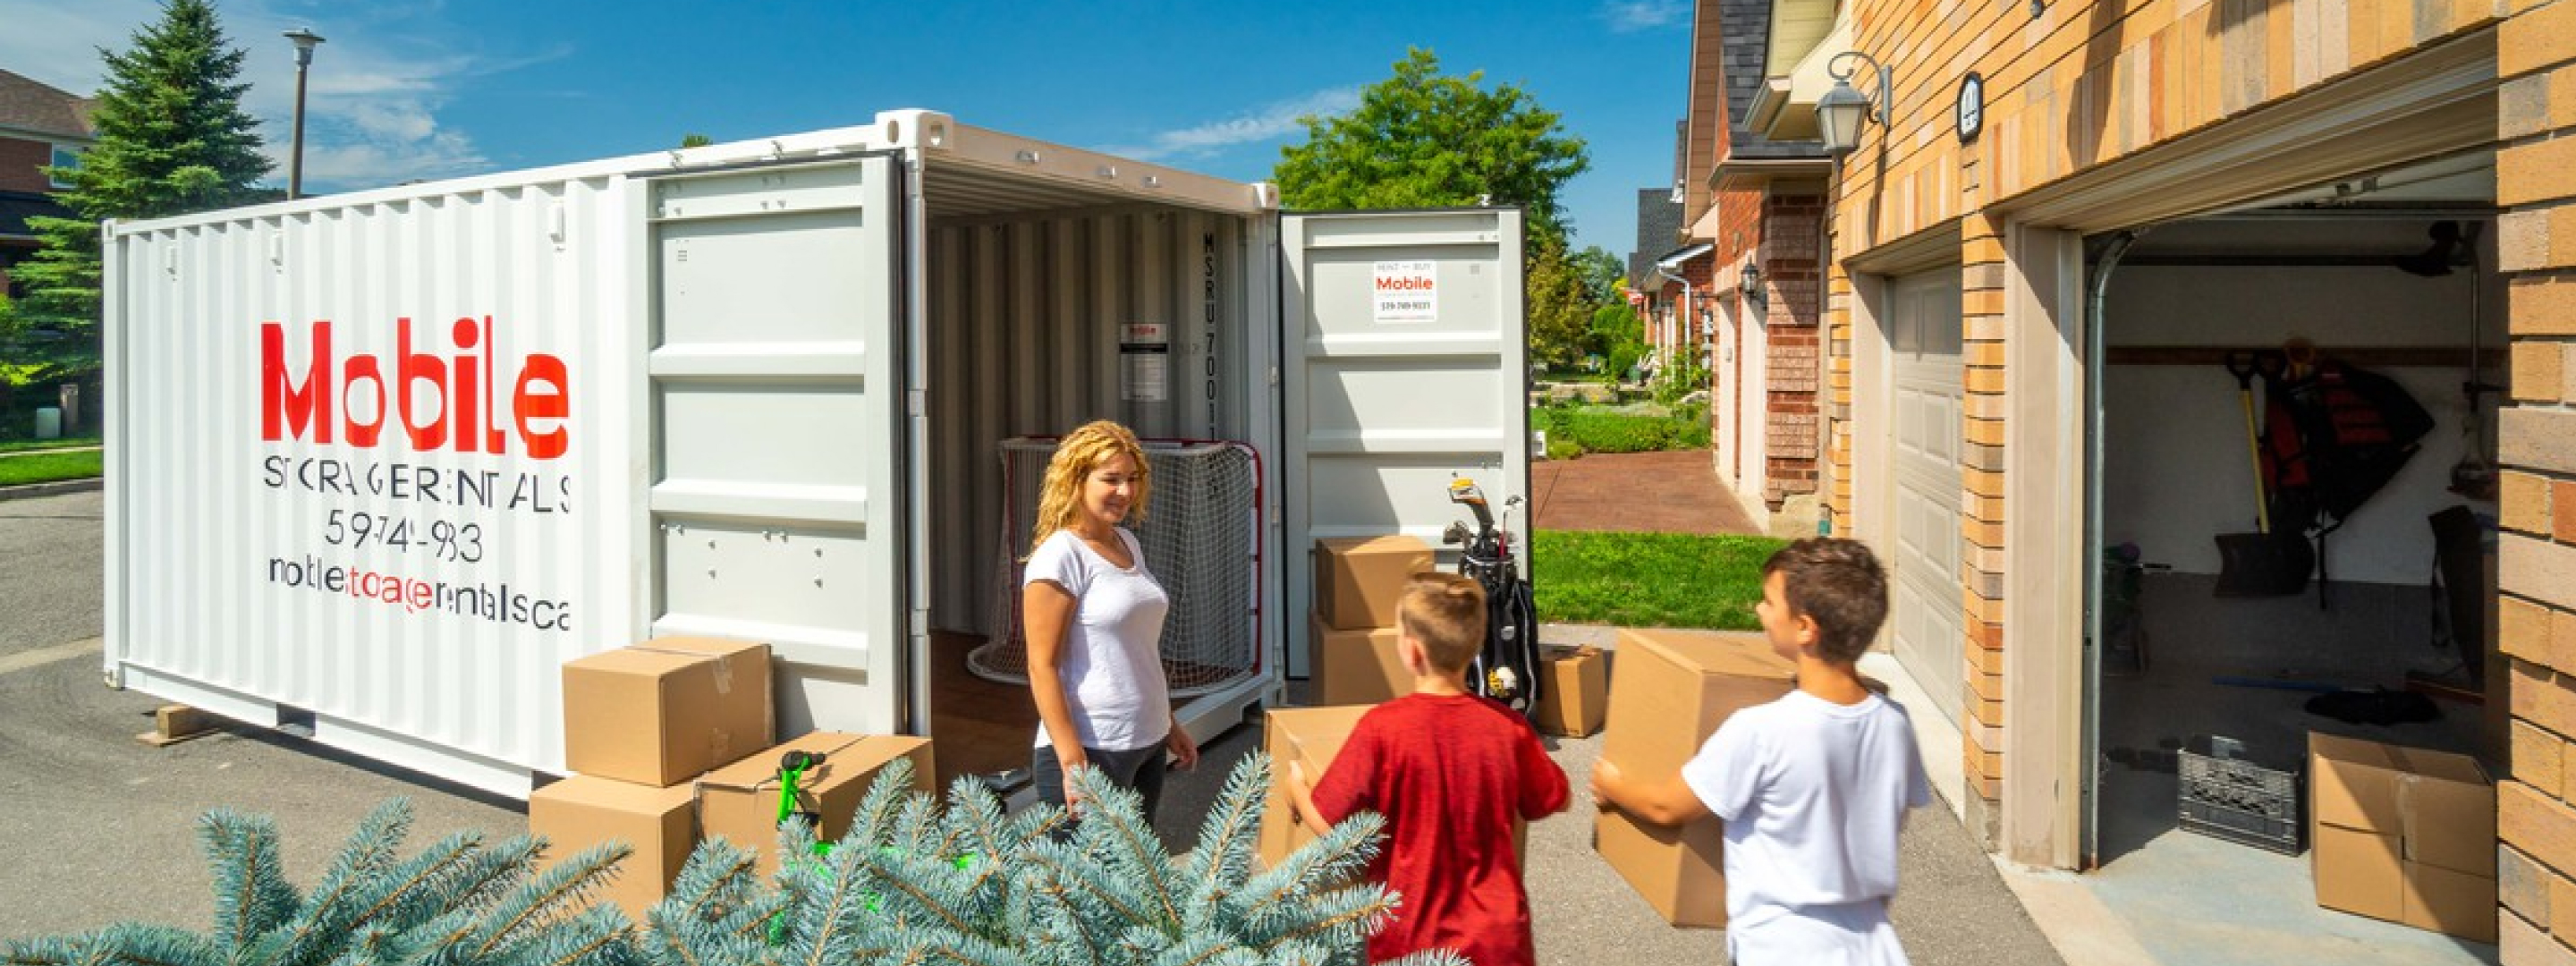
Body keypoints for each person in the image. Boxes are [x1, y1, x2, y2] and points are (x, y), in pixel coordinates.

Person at [1589, 538, 1931, 966]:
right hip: (1872, 947)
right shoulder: (1894, 723)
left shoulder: (1762, 731)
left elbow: (1667, 807)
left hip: (1781, 947)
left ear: (1805, 627)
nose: (1759, 610)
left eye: (1769, 602)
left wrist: (1613, 785)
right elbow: (1890, 813)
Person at [1283, 572, 1570, 966]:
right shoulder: (1509, 728)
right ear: (1474, 646)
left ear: (1412, 652)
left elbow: (1334, 827)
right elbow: (1552, 797)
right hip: (1498, 939)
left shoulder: (1383, 728)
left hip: (1412, 939)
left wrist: (1296, 788)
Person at [1022, 419, 1199, 820]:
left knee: (1134, 874)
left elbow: (1134, 650)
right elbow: (1041, 665)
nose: (1126, 491)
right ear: (1076, 480)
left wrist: (1168, 724)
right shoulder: (1059, 556)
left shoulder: (1127, 543)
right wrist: (1072, 762)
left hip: (1147, 741)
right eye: (1111, 479)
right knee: (1087, 880)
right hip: (1093, 749)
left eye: (1133, 479)